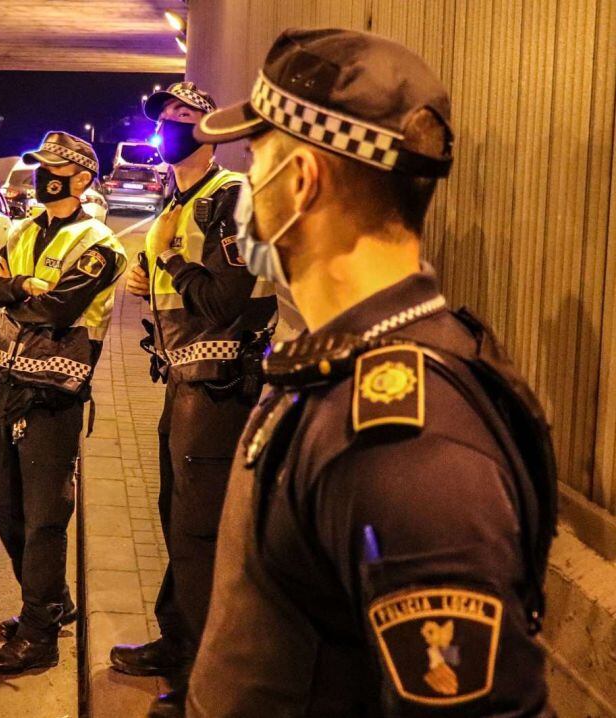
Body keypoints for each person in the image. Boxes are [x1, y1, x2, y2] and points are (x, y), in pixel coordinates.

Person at [184, 28, 557, 716]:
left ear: (301, 181)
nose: (247, 185)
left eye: (256, 156)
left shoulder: (406, 445)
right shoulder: (341, 367)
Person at [108, 82, 278, 717]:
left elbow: (227, 300)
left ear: (210, 131)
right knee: (176, 519)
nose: (170, 126)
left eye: (185, 116)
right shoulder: (179, 199)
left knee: (201, 532)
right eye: (164, 117)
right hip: (185, 384)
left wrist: (173, 265)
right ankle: (177, 640)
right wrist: (149, 280)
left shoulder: (231, 197)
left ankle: (202, 676)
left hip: (220, 388)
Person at [0, 131, 127, 674]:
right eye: (40, 167)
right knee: (1, 504)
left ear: (81, 179)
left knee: (44, 519)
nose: (43, 178)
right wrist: (23, 285)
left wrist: (18, 293)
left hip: (54, 396)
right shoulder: (22, 231)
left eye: (54, 170)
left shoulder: (100, 245)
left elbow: (58, 311)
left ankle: (39, 634)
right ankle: (53, 601)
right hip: (8, 389)